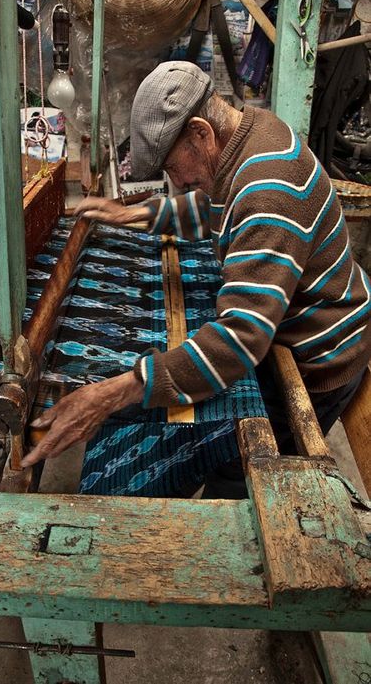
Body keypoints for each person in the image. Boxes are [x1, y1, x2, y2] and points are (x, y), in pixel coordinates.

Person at [21, 61, 370, 493]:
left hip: (318, 358)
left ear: (201, 133)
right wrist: (140, 214)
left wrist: (117, 390)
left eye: (173, 169)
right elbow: (216, 206)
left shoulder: (268, 189)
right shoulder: (252, 133)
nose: (178, 183)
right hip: (292, 331)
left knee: (238, 476)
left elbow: (240, 341)